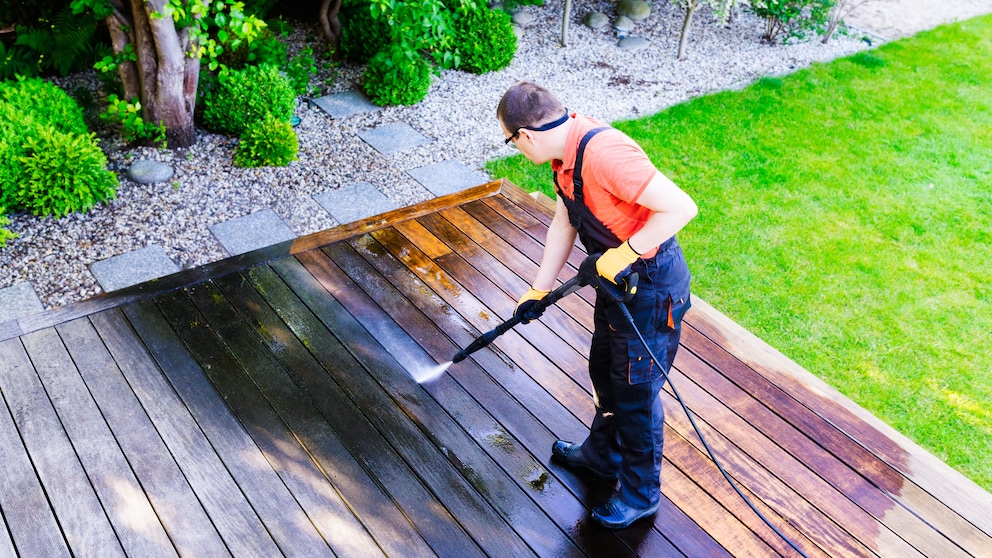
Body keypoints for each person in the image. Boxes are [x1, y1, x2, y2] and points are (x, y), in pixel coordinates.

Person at [497, 81, 697, 529]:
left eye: (510, 141)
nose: (515, 149)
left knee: (636, 394)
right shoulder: (562, 159)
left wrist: (625, 253)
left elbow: (681, 207)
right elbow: (565, 220)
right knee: (605, 372)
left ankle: (641, 494)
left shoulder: (606, 155)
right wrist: (539, 288)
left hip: (650, 290)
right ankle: (602, 456)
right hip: (617, 288)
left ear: (524, 135)